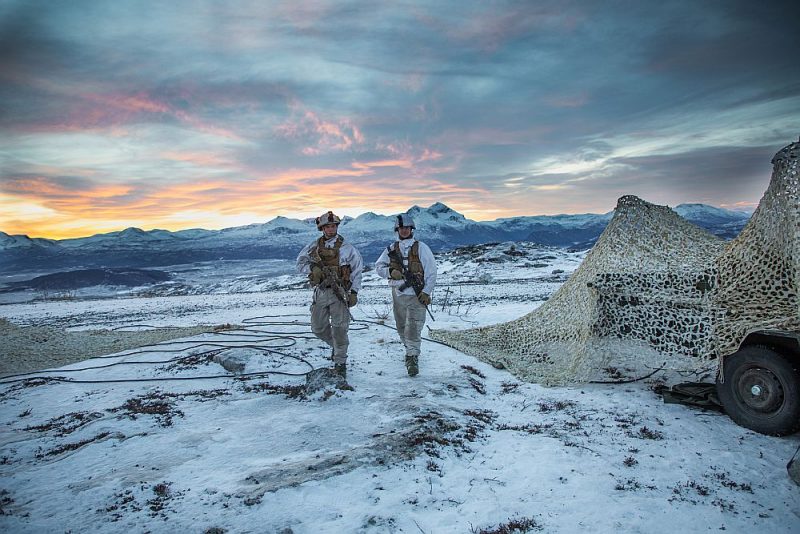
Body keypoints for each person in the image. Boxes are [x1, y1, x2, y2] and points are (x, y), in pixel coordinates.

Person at [296, 210, 363, 379]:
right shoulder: (313, 247)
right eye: (328, 226)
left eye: (333, 226)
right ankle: (336, 345)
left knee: (340, 328)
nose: (331, 229)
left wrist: (354, 292)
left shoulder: (347, 248)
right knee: (317, 328)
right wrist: (313, 268)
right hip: (321, 292)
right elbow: (299, 264)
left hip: (340, 293)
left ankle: (340, 362)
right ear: (322, 228)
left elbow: (357, 271)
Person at [375, 214, 437, 376]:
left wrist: (426, 291)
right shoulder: (391, 249)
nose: (404, 231)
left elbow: (431, 272)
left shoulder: (422, 248)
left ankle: (412, 357)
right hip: (398, 294)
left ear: (411, 229)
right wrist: (390, 272)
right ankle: (409, 348)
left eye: (407, 228)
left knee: (414, 327)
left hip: (417, 296)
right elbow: (379, 266)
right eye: (401, 228)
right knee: (401, 326)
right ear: (397, 230)